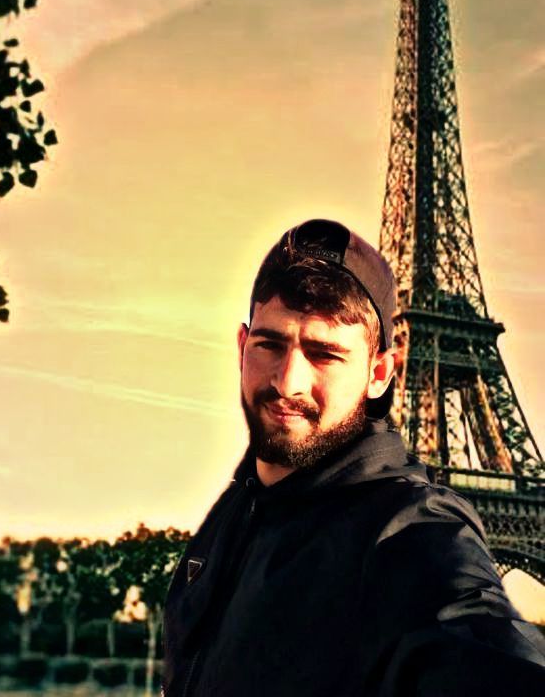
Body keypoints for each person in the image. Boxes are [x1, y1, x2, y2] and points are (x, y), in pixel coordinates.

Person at [163, 219, 545, 696]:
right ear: (242, 347)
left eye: (324, 354)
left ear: (379, 373)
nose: (288, 382)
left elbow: (474, 640)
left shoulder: (408, 533)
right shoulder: (235, 513)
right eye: (270, 345)